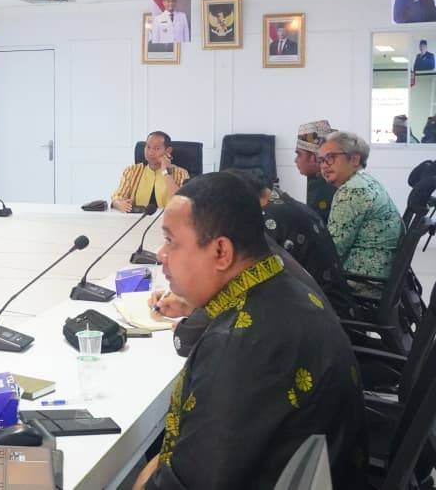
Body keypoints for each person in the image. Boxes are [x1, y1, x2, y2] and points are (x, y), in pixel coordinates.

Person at [133, 173, 366, 489]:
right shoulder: (280, 279)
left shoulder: (237, 348)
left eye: (171, 241)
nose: (161, 254)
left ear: (220, 252)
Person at [225, 169, 356, 318]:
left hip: (322, 316)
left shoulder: (269, 221)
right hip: (337, 304)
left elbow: (252, 280)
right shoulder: (285, 202)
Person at [319, 131, 402, 280]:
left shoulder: (352, 191)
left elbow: (331, 252)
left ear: (355, 159)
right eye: (321, 160)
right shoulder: (366, 181)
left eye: (330, 158)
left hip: (361, 281)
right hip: (379, 275)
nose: (324, 166)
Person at [111, 131, 189, 212]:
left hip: (168, 220)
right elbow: (117, 197)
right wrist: (119, 204)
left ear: (168, 151)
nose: (150, 153)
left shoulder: (181, 173)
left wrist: (166, 173)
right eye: (148, 147)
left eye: (156, 148)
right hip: (138, 220)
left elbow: (182, 203)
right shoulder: (132, 171)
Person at [294, 120, 336, 222]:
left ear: (314, 158)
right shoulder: (318, 178)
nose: (295, 160)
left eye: (299, 154)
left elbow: (316, 229)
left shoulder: (327, 185)